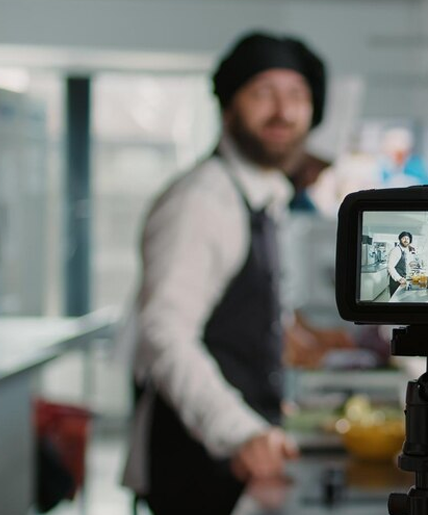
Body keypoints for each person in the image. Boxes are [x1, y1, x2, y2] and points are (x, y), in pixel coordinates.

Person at [122, 31, 346, 515]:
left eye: (297, 96)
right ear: (228, 107)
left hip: (241, 454)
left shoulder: (262, 195)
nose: (282, 111)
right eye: (263, 93)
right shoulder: (202, 200)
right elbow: (164, 333)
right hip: (198, 463)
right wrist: (239, 431)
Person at [388, 231, 413, 296]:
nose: (406, 240)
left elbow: (404, 263)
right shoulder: (396, 250)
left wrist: (410, 265)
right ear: (400, 239)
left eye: (407, 239)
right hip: (396, 281)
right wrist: (399, 278)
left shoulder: (404, 250)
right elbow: (390, 267)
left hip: (403, 279)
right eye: (403, 238)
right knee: (395, 300)